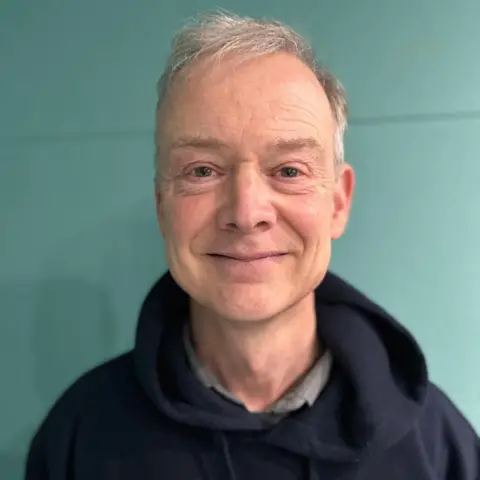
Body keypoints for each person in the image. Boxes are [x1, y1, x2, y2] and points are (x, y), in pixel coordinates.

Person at [26, 11, 479, 480]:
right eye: (202, 170)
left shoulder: (437, 447)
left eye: (289, 170)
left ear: (338, 204)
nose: (246, 213)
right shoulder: (80, 439)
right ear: (163, 206)